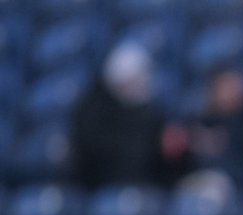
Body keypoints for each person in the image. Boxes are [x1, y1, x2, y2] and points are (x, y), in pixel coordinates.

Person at [70, 41, 191, 189]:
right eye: (133, 80)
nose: (141, 84)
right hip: (104, 185)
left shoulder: (151, 113)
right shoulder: (93, 115)